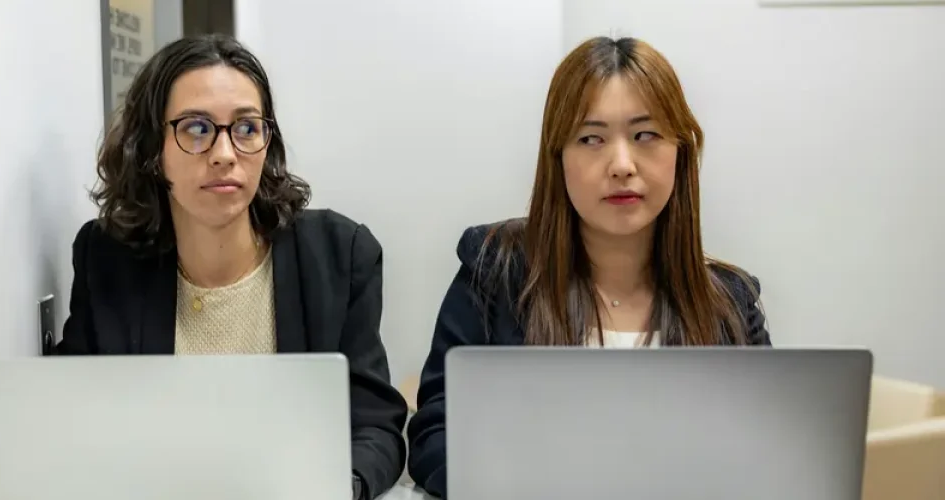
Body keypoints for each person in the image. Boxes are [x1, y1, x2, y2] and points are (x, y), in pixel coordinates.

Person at [405, 36, 772, 498]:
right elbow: (438, 436)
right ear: (557, 157)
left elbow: (765, 455)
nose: (621, 164)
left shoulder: (730, 304)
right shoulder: (495, 269)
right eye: (591, 138)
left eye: (646, 135)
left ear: (681, 151)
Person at [56, 34, 407, 500]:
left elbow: (376, 427)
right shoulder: (107, 258)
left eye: (245, 128)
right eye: (197, 129)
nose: (225, 153)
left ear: (267, 143)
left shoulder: (341, 255)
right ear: (151, 150)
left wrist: (338, 488)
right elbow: (70, 419)